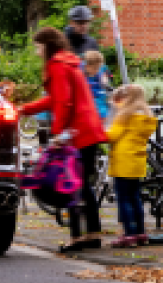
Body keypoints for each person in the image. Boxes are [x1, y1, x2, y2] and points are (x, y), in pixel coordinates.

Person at [20, 28, 108, 251]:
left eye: (38, 47)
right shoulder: (68, 62)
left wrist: (59, 134)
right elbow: (56, 98)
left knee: (71, 185)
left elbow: (64, 102)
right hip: (88, 129)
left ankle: (78, 237)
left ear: (47, 45)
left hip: (77, 131)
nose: (36, 51)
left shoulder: (57, 65)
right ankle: (93, 234)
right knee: (83, 184)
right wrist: (25, 109)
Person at [106, 84, 157, 248]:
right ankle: (140, 232)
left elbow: (112, 136)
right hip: (137, 161)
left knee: (124, 198)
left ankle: (129, 234)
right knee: (136, 198)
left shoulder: (125, 115)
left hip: (123, 161)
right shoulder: (146, 116)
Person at [82, 50, 111, 122]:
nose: (97, 70)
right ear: (87, 66)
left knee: (103, 115)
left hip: (99, 96)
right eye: (95, 68)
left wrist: (105, 82)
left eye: (99, 68)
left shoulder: (99, 71)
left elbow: (104, 80)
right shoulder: (80, 72)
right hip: (87, 99)